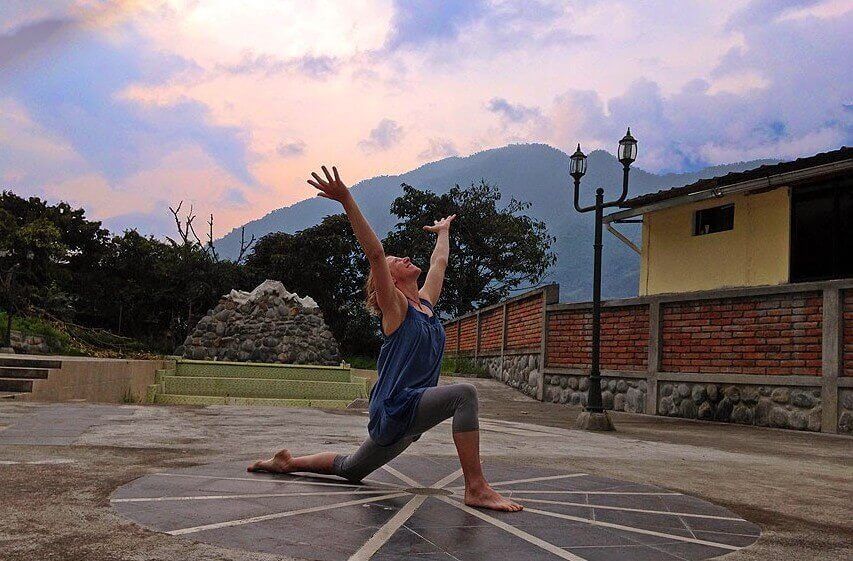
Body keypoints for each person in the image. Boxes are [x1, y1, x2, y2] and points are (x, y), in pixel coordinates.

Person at [249, 165, 522, 512]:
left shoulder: (424, 304)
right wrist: (346, 199)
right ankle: (477, 488)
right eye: (398, 260)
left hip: (406, 418)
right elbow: (375, 253)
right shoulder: (396, 310)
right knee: (464, 396)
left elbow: (438, 264)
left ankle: (288, 462)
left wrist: (443, 232)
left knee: (351, 468)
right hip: (397, 407)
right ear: (389, 282)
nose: (406, 258)